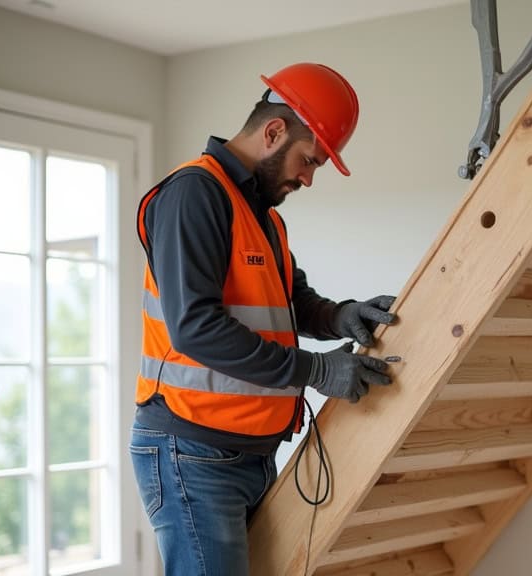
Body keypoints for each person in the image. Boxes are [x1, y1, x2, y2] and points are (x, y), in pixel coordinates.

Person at [129, 62, 396, 576]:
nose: (309, 178)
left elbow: (289, 300)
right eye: (308, 160)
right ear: (274, 131)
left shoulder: (262, 214)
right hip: (191, 449)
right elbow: (195, 329)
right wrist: (317, 372)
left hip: (247, 452)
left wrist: (341, 316)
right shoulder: (194, 195)